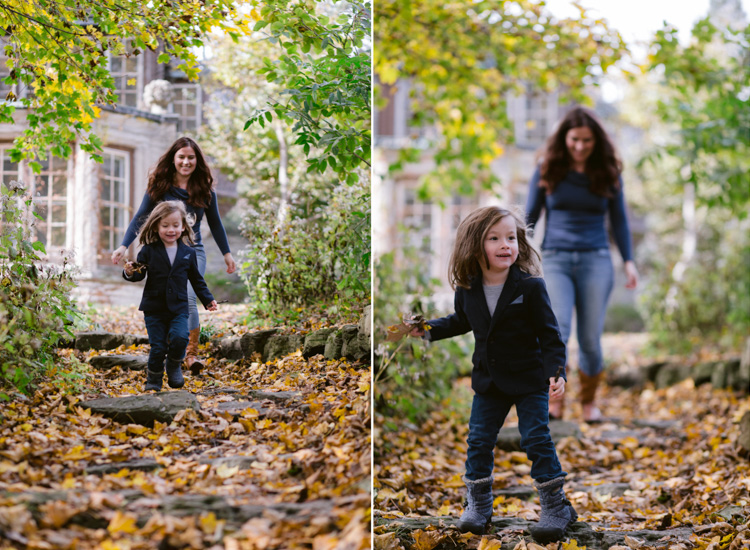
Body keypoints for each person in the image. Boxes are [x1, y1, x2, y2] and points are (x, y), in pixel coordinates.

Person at [410, 206, 577, 543]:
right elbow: (459, 321)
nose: (506, 245)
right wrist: (423, 329)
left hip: (530, 379)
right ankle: (478, 505)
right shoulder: (468, 288)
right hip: (489, 382)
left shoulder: (530, 287)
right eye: (495, 238)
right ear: (474, 245)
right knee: (479, 440)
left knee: (535, 438)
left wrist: (556, 371)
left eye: (511, 238)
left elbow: (550, 334)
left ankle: (556, 506)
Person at [525, 106, 638, 423]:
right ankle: (556, 400)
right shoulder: (547, 167)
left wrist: (629, 261)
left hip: (596, 259)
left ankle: (589, 403)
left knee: (590, 338)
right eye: (574, 139)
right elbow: (530, 216)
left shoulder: (608, 171)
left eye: (587, 140)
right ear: (564, 138)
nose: (580, 146)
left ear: (596, 140)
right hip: (556, 258)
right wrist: (516, 251)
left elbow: (619, 221)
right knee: (558, 331)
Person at [111, 137, 235, 374]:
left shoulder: (205, 190)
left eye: (191, 157)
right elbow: (141, 216)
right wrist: (124, 246)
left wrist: (227, 254)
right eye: (181, 157)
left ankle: (190, 355)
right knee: (168, 296)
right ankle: (169, 344)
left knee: (188, 295)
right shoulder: (159, 186)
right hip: (162, 251)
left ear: (197, 161)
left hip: (192, 250)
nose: (186, 162)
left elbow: (216, 225)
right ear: (173, 159)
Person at [123, 201, 218, 391]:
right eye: (165, 225)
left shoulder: (188, 253)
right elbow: (140, 273)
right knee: (158, 347)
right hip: (154, 309)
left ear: (183, 226)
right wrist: (130, 272)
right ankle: (154, 379)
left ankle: (174, 365)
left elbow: (196, 280)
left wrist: (208, 299)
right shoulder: (148, 251)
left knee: (180, 338)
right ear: (157, 226)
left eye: (175, 225)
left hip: (179, 308)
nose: (170, 230)